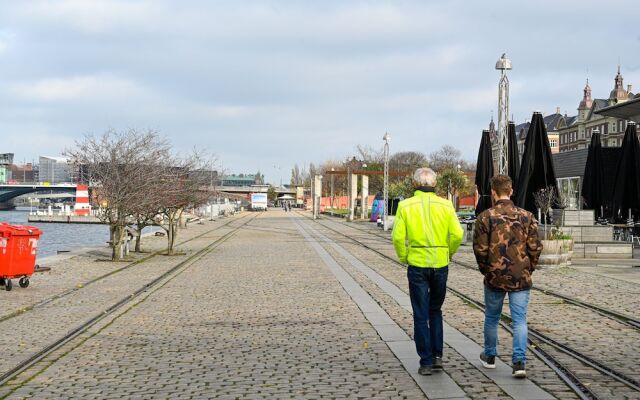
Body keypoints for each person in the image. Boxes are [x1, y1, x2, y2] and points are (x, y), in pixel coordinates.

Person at [392, 167, 464, 376]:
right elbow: (457, 234)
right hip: (440, 264)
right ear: (434, 184)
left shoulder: (405, 206)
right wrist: (448, 252)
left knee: (420, 313)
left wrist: (404, 256)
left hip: (417, 264)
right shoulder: (446, 205)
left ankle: (425, 361)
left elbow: (397, 238)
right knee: (436, 310)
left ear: (415, 184)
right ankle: (437, 356)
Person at [473, 175, 542, 378]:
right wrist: (529, 268)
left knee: (492, 317)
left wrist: (486, 270)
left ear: (493, 193)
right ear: (511, 191)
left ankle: (490, 355)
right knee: (520, 320)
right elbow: (535, 247)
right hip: (520, 276)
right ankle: (519, 362)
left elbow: (480, 249)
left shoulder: (485, 217)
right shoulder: (527, 216)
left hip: (494, 275)